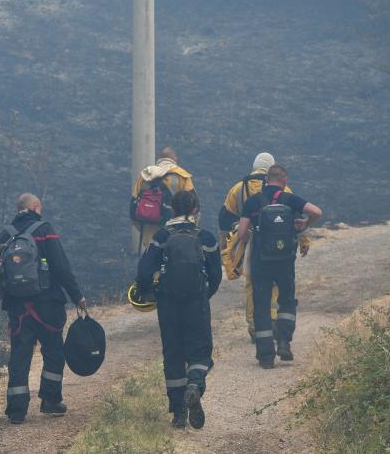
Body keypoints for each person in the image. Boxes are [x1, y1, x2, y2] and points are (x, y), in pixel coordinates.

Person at [0, 193, 87, 424]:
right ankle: (50, 401)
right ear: (35, 207)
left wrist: (8, 288)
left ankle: (16, 411)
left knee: (19, 356)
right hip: (47, 305)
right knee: (53, 352)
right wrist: (77, 296)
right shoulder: (45, 230)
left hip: (17, 308)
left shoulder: (6, 233)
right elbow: (61, 266)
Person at [135, 191, 222, 429]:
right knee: (200, 352)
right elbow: (216, 275)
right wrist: (204, 296)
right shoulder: (206, 237)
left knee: (173, 353)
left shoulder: (162, 237)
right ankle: (194, 386)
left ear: (171, 209)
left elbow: (143, 272)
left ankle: (178, 413)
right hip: (197, 303)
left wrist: (150, 292)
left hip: (168, 304)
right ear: (195, 209)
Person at [238, 165, 322, 369]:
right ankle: (284, 342)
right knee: (286, 300)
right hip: (284, 260)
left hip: (261, 261)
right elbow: (317, 212)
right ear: (284, 179)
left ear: (266, 179)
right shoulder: (289, 199)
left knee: (262, 305)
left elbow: (241, 234)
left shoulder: (253, 201)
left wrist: (255, 237)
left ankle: (266, 356)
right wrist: (305, 223)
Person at [219, 152, 307, 343]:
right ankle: (275, 320)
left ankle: (254, 326)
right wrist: (303, 241)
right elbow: (296, 216)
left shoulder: (239, 188)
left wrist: (224, 245)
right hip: (280, 246)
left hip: (251, 243)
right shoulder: (285, 190)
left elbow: (225, 218)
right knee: (277, 284)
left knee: (253, 284)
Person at [131, 147, 199, 252]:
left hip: (150, 234)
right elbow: (195, 206)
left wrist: (144, 230)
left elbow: (133, 208)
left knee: (152, 264)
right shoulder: (182, 176)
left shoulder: (145, 176)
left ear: (159, 159)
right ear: (174, 159)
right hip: (176, 233)